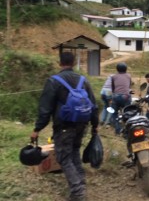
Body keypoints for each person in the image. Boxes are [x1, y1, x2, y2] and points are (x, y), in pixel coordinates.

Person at [30, 52, 99, 201]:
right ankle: (80, 183)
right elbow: (93, 105)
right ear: (73, 63)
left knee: (63, 158)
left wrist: (37, 129)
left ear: (60, 63)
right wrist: (95, 124)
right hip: (82, 124)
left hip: (64, 126)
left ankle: (78, 191)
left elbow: (45, 109)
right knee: (74, 152)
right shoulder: (83, 80)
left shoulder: (53, 81)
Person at [111, 62, 132, 134]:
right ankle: (127, 131)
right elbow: (129, 87)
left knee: (114, 113)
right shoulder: (128, 76)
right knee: (128, 113)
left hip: (116, 97)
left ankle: (117, 130)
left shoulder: (113, 77)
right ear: (125, 69)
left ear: (117, 69)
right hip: (126, 97)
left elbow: (113, 88)